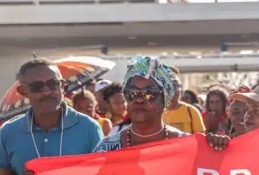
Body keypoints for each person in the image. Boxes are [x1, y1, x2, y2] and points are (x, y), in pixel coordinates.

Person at [0, 58, 103, 175]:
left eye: (53, 84)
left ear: (62, 86)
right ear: (23, 91)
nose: (47, 91)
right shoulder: (9, 131)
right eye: (37, 86)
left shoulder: (89, 128)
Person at [94, 56, 229, 153]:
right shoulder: (106, 148)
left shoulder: (187, 146)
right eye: (131, 93)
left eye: (149, 93)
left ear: (166, 99)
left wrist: (217, 150)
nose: (138, 100)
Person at [162, 68, 206, 135]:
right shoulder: (155, 112)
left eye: (175, 85)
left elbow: (200, 137)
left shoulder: (191, 111)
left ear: (181, 89)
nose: (172, 90)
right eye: (168, 86)